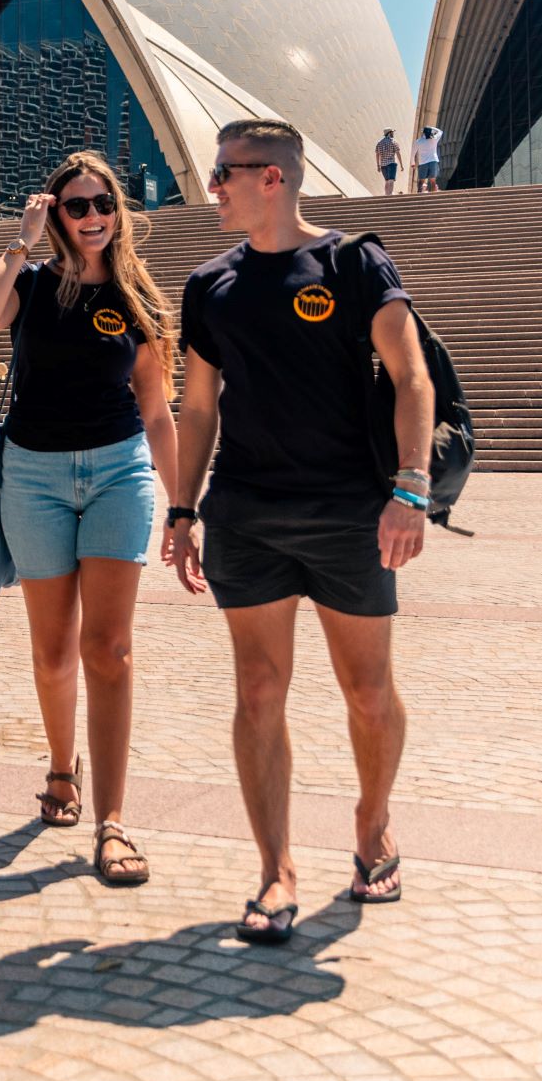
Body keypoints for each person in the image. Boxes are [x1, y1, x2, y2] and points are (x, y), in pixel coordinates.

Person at [167, 118, 433, 945]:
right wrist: (182, 510)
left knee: (367, 691)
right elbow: (199, 407)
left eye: (223, 174)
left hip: (351, 510)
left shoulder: (353, 264)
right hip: (247, 513)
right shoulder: (209, 284)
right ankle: (275, 869)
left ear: (272, 178)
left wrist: (410, 491)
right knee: (257, 691)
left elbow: (411, 376)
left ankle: (372, 823)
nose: (211, 187)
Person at [0, 150, 180, 888]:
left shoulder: (135, 296)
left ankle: (112, 823)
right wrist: (20, 240)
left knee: (108, 650)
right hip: (35, 475)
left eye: (101, 204)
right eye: (75, 206)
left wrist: (183, 506)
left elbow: (157, 410)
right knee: (53, 652)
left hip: (121, 472)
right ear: (55, 213)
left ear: (118, 212)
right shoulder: (29, 282)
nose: (91, 217)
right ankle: (62, 766)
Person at [412, 125, 444, 193]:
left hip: (423, 162)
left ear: (423, 133)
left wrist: (413, 162)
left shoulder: (418, 141)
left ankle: (419, 194)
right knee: (433, 180)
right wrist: (431, 128)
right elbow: (440, 131)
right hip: (433, 161)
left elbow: (413, 153)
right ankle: (433, 195)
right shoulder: (434, 139)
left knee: (421, 180)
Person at [373, 129, 402, 198]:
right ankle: (390, 195)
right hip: (391, 163)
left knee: (386, 181)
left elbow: (377, 154)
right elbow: (398, 153)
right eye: (392, 132)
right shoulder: (393, 141)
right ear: (389, 133)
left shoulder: (379, 142)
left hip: (383, 165)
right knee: (391, 180)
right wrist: (401, 164)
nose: (393, 134)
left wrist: (378, 165)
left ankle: (386, 195)